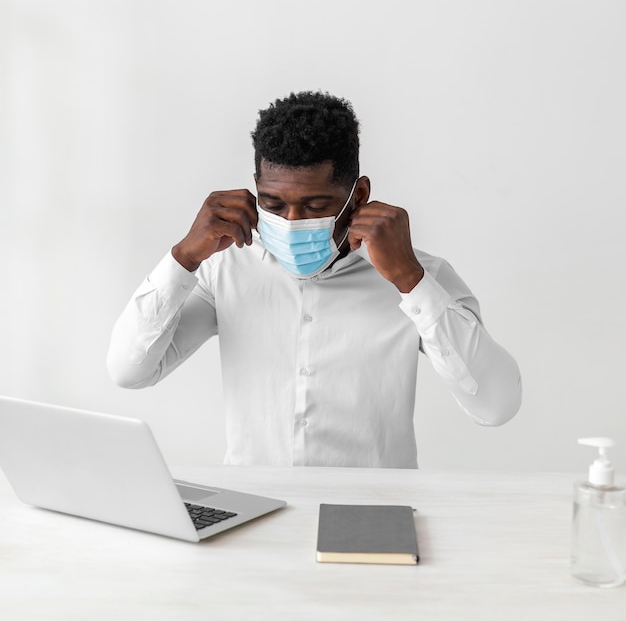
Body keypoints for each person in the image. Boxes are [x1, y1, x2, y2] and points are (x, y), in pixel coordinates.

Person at [107, 91, 522, 468]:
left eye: (315, 206)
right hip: (256, 517)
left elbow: (497, 405)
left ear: (357, 196)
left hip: (373, 519)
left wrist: (410, 281)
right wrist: (182, 259)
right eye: (273, 203)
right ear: (255, 189)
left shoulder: (418, 276)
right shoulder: (225, 269)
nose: (291, 222)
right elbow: (130, 370)